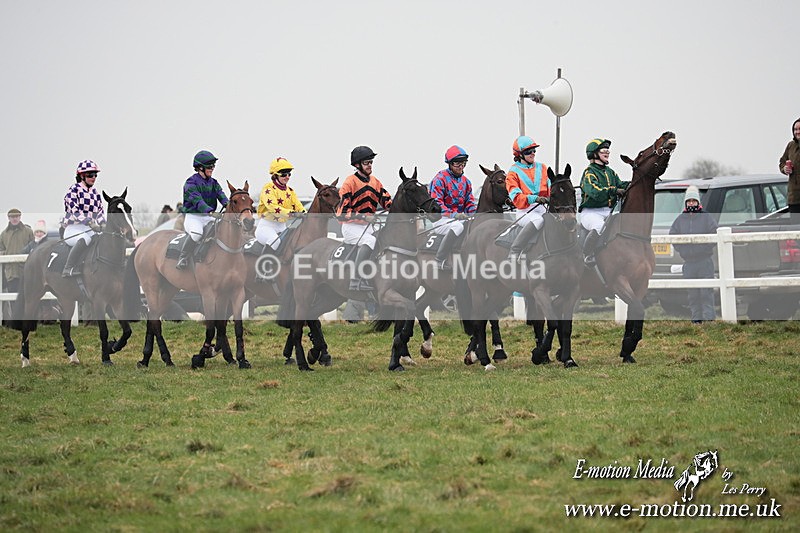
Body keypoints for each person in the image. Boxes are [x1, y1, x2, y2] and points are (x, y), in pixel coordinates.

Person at [337, 146, 392, 291]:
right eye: (367, 163)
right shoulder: (349, 183)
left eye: (371, 162)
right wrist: (363, 217)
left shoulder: (375, 182)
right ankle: (356, 279)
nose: (370, 166)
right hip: (351, 227)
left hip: (368, 227)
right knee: (371, 240)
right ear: (357, 165)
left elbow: (387, 202)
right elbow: (341, 213)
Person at [669, 186, 718, 323]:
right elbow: (673, 236)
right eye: (689, 201)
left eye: (693, 201)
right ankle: (696, 320)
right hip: (689, 263)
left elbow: (714, 233)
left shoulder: (706, 217)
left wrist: (703, 249)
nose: (691, 203)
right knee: (693, 294)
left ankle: (709, 320)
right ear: (686, 203)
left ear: (698, 202)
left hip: (704, 261)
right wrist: (683, 251)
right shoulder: (679, 220)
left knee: (706, 293)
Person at [254, 157, 306, 280]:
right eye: (284, 174)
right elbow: (272, 207)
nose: (287, 177)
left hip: (282, 226)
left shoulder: (290, 191)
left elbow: (298, 206)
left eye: (289, 174)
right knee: (274, 241)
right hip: (266, 226)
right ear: (275, 175)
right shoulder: (268, 189)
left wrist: (305, 213)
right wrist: (291, 214)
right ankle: (262, 272)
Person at [579, 138, 629, 266]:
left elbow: (621, 184)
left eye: (608, 150)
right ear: (594, 154)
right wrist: (614, 191)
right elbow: (595, 192)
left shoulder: (610, 172)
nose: (607, 152)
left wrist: (635, 182)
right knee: (599, 226)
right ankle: (587, 254)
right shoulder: (589, 173)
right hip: (590, 213)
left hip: (609, 211)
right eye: (604, 150)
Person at [176, 150, 228, 270]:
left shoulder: (214, 183)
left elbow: (222, 196)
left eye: (213, 166)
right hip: (194, 218)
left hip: (209, 217)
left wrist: (229, 206)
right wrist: (210, 211)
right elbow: (198, 201)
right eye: (209, 166)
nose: (212, 168)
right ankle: (183, 257)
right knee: (197, 233)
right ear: (200, 168)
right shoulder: (190, 182)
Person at [429, 145, 476, 269]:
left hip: (460, 219)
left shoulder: (467, 182)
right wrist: (454, 215)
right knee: (457, 226)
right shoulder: (439, 179)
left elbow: (470, 203)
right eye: (457, 163)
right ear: (449, 164)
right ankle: (439, 260)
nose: (461, 166)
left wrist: (476, 214)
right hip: (441, 220)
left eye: (463, 163)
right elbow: (437, 204)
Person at [505, 135, 551, 262]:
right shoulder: (512, 172)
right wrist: (535, 199)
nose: (533, 154)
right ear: (520, 154)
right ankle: (515, 250)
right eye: (528, 152)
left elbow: (550, 186)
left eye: (534, 151)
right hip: (525, 211)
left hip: (543, 208)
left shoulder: (542, 167)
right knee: (538, 220)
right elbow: (516, 197)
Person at [61, 161, 106, 277]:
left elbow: (100, 212)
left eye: (95, 175)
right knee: (85, 239)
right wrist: (90, 222)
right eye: (90, 175)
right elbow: (74, 211)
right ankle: (68, 268)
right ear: (82, 176)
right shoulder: (74, 190)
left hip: (89, 228)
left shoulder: (95, 193)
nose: (94, 178)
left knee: (101, 239)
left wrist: (103, 224)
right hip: (73, 228)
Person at [0, 208, 34, 301]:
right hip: (11, 272)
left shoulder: (28, 232)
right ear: (9, 218)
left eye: (16, 216)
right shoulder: (4, 234)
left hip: (26, 271)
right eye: (12, 217)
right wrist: (6, 254)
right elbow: (1, 250)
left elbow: (34, 247)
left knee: (27, 298)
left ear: (20, 217)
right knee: (12, 299)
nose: (14, 219)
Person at [779, 117, 800, 223]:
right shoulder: (790, 146)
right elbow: (782, 162)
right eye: (795, 129)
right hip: (794, 198)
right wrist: (784, 168)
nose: (797, 132)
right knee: (796, 230)